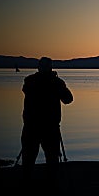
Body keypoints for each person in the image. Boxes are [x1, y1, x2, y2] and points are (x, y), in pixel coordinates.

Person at [21, 57, 73, 188]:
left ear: (39, 67)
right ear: (50, 68)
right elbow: (68, 99)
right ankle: (51, 183)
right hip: (49, 127)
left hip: (31, 126)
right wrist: (55, 80)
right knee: (51, 157)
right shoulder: (56, 83)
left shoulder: (30, 81)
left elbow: (26, 89)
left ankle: (27, 183)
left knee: (29, 156)